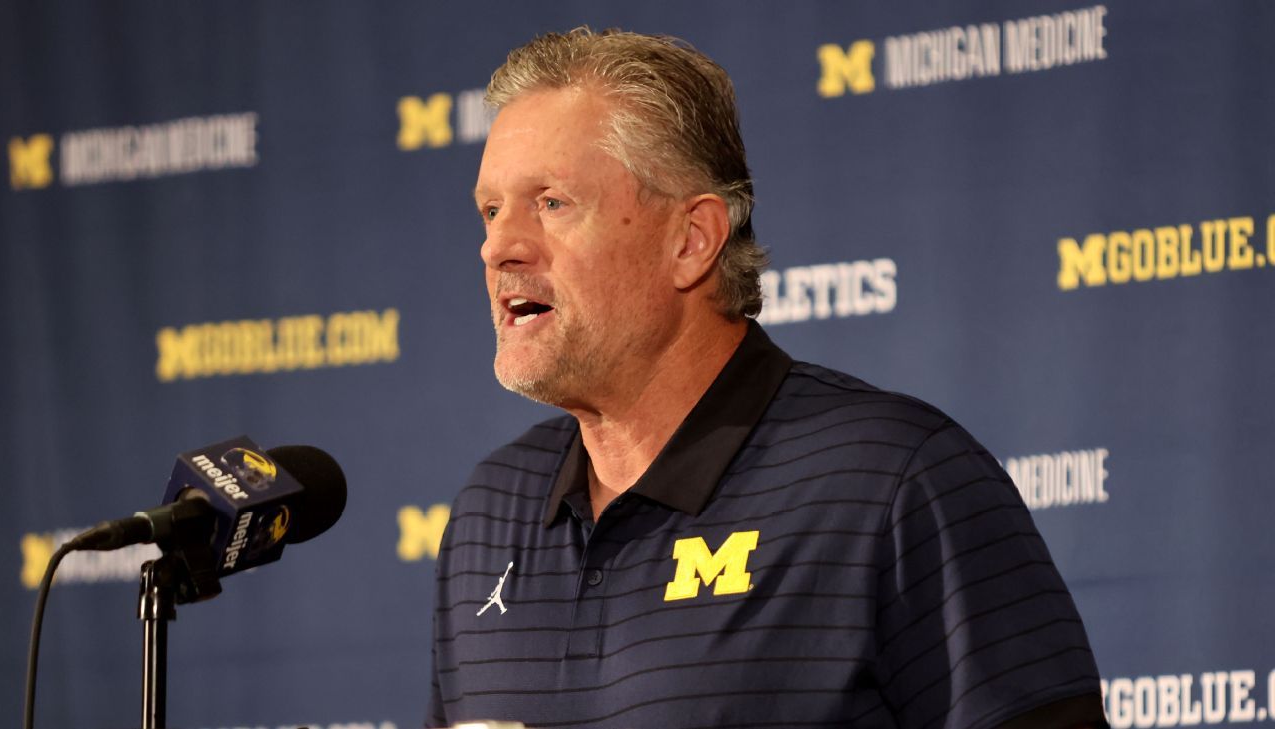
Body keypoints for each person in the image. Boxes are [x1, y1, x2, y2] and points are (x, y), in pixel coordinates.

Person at [428, 27, 1106, 729]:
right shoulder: (489, 513)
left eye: (551, 203)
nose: (498, 246)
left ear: (691, 240)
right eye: (491, 210)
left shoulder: (893, 480)